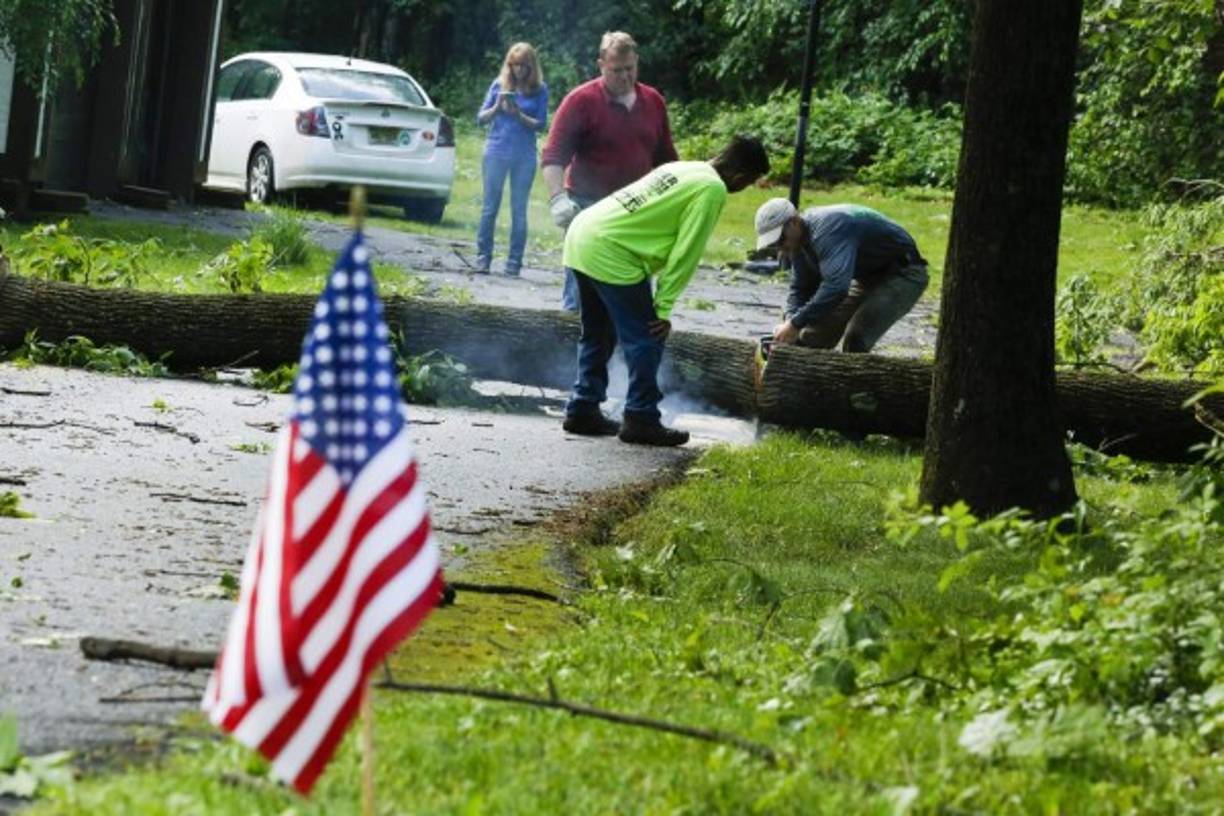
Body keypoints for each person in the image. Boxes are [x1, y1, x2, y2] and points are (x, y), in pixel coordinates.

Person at [562, 135, 770, 446]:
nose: (745, 188)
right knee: (648, 336)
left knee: (598, 333)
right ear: (740, 176)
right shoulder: (711, 188)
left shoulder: (684, 168)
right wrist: (663, 307)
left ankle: (583, 408)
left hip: (584, 233)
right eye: (750, 183)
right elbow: (686, 251)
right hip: (612, 249)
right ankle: (641, 417)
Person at [540, 31, 678, 309]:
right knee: (581, 299)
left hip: (637, 212)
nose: (625, 77)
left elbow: (666, 160)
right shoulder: (580, 101)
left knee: (633, 298)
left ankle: (625, 350)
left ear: (636, 62)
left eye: (630, 69)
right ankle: (569, 349)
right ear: (601, 64)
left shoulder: (653, 102)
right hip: (588, 209)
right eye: (617, 70)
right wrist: (557, 199)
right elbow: (553, 155)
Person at [754, 199, 929, 353]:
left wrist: (795, 324)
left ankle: (857, 389)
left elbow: (836, 287)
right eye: (773, 245)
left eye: (780, 240)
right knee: (812, 336)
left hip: (904, 273)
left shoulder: (829, 229)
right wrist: (790, 321)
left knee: (857, 337)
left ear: (793, 222)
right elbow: (800, 288)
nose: (779, 247)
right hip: (867, 277)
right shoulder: (797, 244)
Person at [475, 43, 548, 276]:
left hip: (524, 156)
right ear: (509, 65)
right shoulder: (498, 85)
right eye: (514, 65)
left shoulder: (540, 89)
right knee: (489, 208)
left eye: (523, 66)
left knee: (519, 210)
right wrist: (497, 106)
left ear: (531, 67)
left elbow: (541, 124)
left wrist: (519, 114)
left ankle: (514, 263)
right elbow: (480, 118)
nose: (518, 70)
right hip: (496, 151)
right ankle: (483, 259)